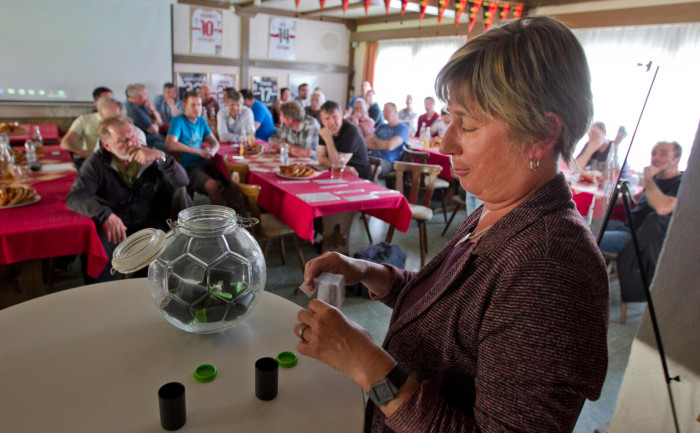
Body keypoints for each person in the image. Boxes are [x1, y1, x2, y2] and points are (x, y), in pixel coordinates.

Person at [294, 17, 608, 432]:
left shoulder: (548, 269)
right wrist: (367, 271)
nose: (445, 143)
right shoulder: (502, 207)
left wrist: (365, 363)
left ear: (542, 134)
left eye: (470, 125)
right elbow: (449, 304)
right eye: (451, 118)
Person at [66, 115, 189, 283]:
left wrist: (161, 157)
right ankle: (99, 301)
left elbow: (183, 181)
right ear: (107, 145)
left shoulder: (150, 155)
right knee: (99, 258)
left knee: (160, 265)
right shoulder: (97, 162)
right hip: (114, 221)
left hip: (149, 220)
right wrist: (105, 215)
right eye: (123, 141)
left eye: (132, 136)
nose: (132, 143)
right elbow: (76, 197)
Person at [166, 91, 245, 213]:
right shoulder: (178, 121)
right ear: (185, 106)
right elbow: (170, 144)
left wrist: (212, 151)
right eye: (193, 105)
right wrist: (198, 151)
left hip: (204, 163)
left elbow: (215, 143)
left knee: (231, 179)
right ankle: (218, 222)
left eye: (199, 105)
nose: (197, 108)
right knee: (212, 185)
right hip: (188, 166)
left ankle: (238, 215)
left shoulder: (201, 121)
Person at [600, 140, 683, 254]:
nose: (656, 158)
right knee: (582, 223)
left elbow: (663, 208)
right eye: (653, 154)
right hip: (626, 226)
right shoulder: (656, 179)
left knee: (589, 238)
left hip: (638, 238)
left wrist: (647, 179)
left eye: (663, 154)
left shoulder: (680, 184)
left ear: (676, 160)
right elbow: (637, 198)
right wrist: (608, 198)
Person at [60, 91, 117, 169]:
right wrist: (83, 153)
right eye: (105, 100)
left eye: (111, 100)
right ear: (97, 104)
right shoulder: (84, 120)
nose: (109, 103)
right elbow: (65, 142)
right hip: (91, 159)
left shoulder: (122, 121)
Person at [318, 101, 372, 180]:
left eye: (335, 117)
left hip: (358, 176)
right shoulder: (324, 130)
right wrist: (344, 167)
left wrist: (328, 139)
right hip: (339, 173)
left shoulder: (352, 132)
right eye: (327, 119)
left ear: (342, 116)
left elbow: (338, 164)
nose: (332, 122)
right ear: (322, 120)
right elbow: (321, 160)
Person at [366, 103, 408, 178]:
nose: (384, 114)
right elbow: (368, 143)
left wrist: (376, 141)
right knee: (353, 162)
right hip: (371, 156)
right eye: (383, 111)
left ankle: (373, 189)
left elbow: (390, 146)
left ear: (395, 112)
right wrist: (383, 145)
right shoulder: (382, 126)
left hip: (387, 161)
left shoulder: (403, 128)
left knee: (373, 168)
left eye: (387, 111)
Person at [124, 83, 166, 151]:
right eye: (145, 94)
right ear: (137, 97)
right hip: (148, 143)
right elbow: (154, 130)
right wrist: (154, 119)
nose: (147, 97)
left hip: (156, 137)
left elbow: (160, 121)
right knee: (174, 149)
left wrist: (152, 109)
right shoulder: (134, 111)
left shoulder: (140, 105)